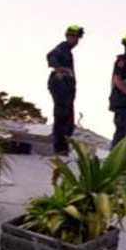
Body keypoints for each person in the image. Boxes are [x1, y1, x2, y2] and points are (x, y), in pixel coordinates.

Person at [46, 25, 84, 155]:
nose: (76, 40)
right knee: (62, 116)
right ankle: (60, 148)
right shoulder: (62, 48)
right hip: (60, 85)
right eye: (74, 37)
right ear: (68, 36)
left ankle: (64, 147)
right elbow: (50, 56)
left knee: (68, 119)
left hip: (67, 87)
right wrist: (58, 70)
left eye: (78, 38)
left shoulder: (68, 51)